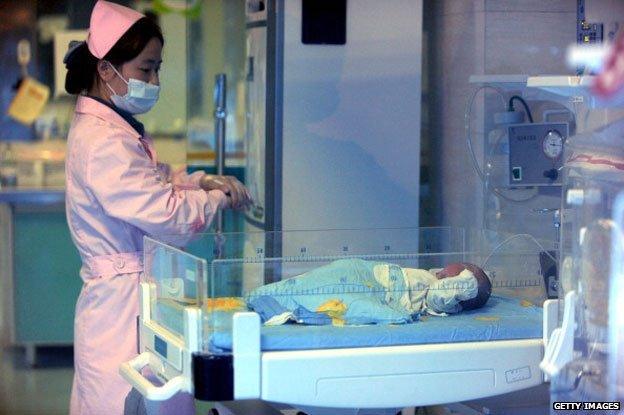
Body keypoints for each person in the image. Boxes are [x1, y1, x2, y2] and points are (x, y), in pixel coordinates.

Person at [63, 2, 252, 414]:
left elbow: (152, 178)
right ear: (106, 69)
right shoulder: (103, 143)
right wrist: (215, 198)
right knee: (127, 401)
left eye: (157, 69)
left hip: (134, 294)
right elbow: (167, 215)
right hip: (121, 307)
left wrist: (200, 181)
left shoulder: (111, 128)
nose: (154, 80)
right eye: (146, 69)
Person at [246, 258, 492, 326]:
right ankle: (269, 296)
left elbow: (442, 295)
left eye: (461, 270)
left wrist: (470, 280)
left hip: (382, 295)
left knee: (339, 299)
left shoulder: (443, 297)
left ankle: (277, 304)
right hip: (364, 274)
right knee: (320, 279)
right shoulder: (433, 274)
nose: (450, 268)